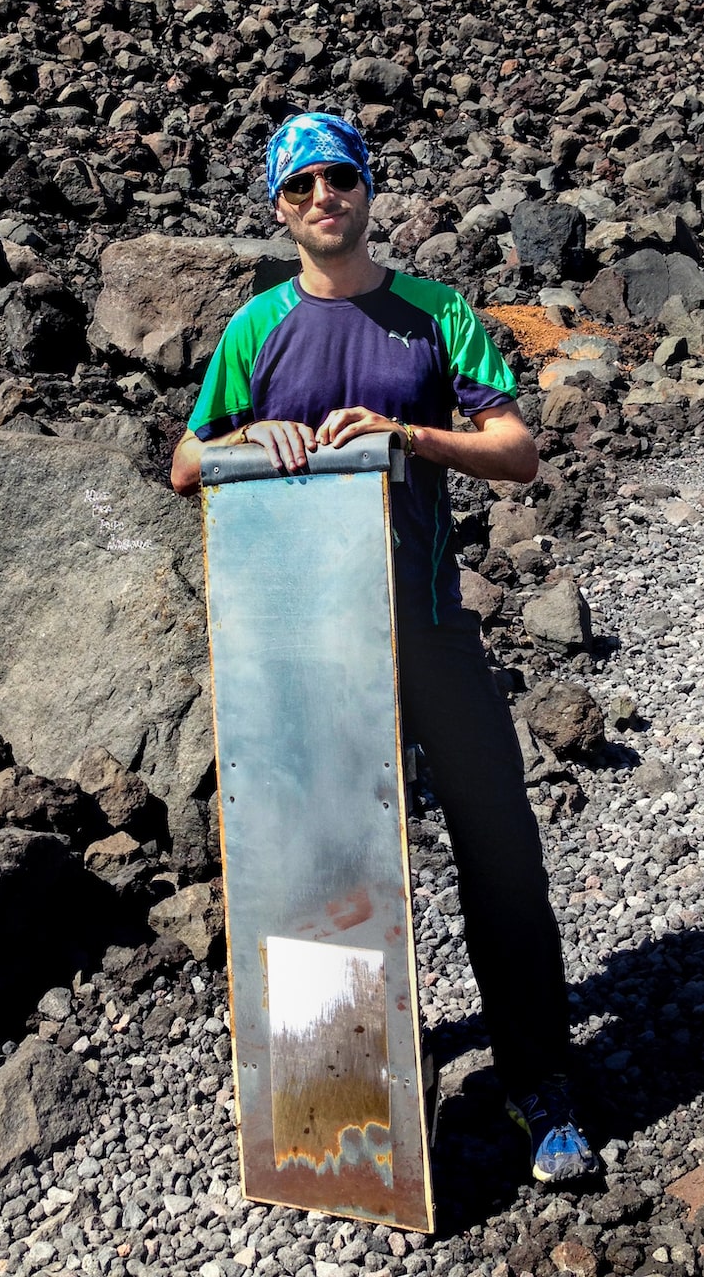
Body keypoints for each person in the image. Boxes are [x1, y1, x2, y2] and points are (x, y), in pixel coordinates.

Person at [170, 112, 597, 1184]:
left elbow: (518, 451)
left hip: (431, 631)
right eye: (303, 184)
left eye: (341, 178)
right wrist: (240, 440)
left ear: (369, 191)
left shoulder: (435, 313)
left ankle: (537, 1083)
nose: (325, 197)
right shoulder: (255, 330)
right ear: (280, 207)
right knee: (323, 865)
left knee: (501, 852)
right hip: (307, 650)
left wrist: (407, 437)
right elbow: (185, 461)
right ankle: (335, 1100)